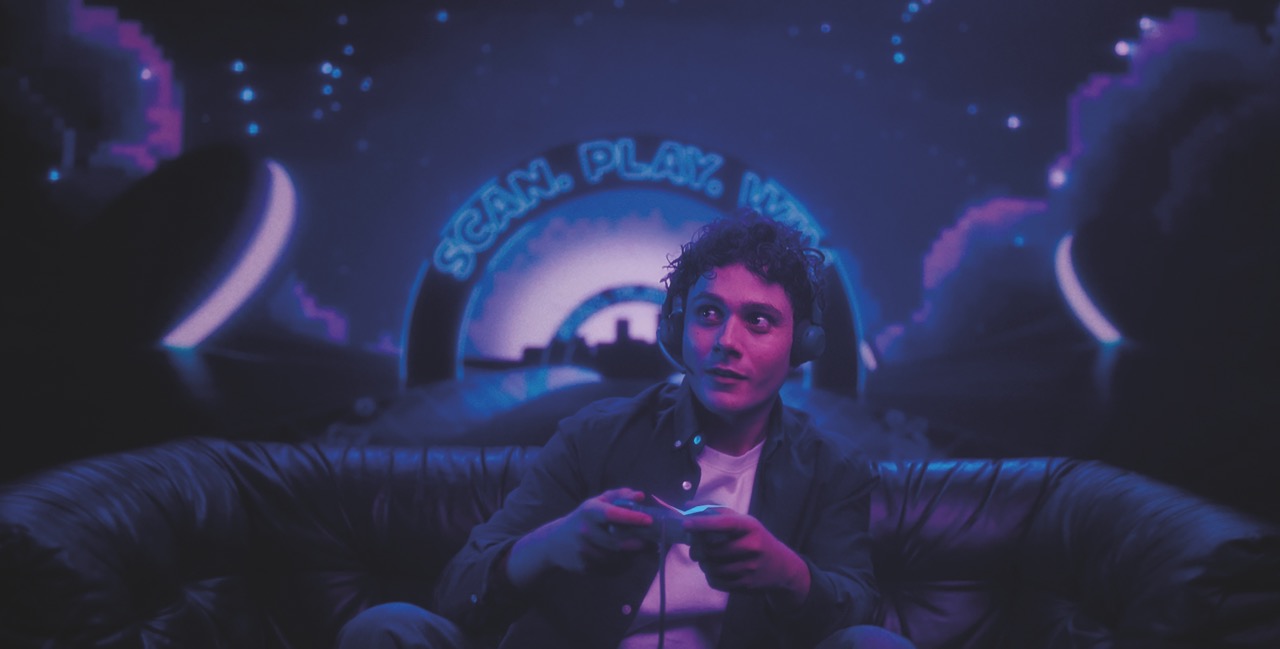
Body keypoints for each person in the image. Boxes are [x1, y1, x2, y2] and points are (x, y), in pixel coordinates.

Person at [337, 208, 914, 648]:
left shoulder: (833, 469)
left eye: (758, 321)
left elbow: (858, 615)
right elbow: (457, 591)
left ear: (802, 346)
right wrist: (549, 544)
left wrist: (788, 574)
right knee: (386, 628)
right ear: (676, 331)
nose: (726, 342)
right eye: (708, 314)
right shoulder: (594, 436)